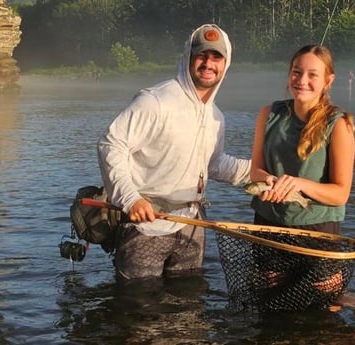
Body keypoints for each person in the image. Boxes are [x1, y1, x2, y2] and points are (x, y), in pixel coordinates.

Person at [97, 24, 250, 280]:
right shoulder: (155, 101)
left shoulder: (216, 116)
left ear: (226, 64)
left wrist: (258, 172)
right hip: (146, 227)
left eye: (216, 57)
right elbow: (111, 144)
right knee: (137, 309)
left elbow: (213, 164)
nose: (208, 63)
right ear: (188, 57)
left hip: (192, 225)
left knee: (188, 308)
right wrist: (131, 199)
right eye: (201, 55)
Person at [248, 44, 355, 307]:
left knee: (324, 304)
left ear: (328, 81)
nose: (302, 81)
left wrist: (298, 184)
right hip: (268, 222)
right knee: (271, 301)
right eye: (297, 72)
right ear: (289, 74)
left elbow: (341, 193)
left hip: (318, 229)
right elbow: (255, 171)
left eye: (312, 75)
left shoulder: (339, 124)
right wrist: (269, 181)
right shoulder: (269, 114)